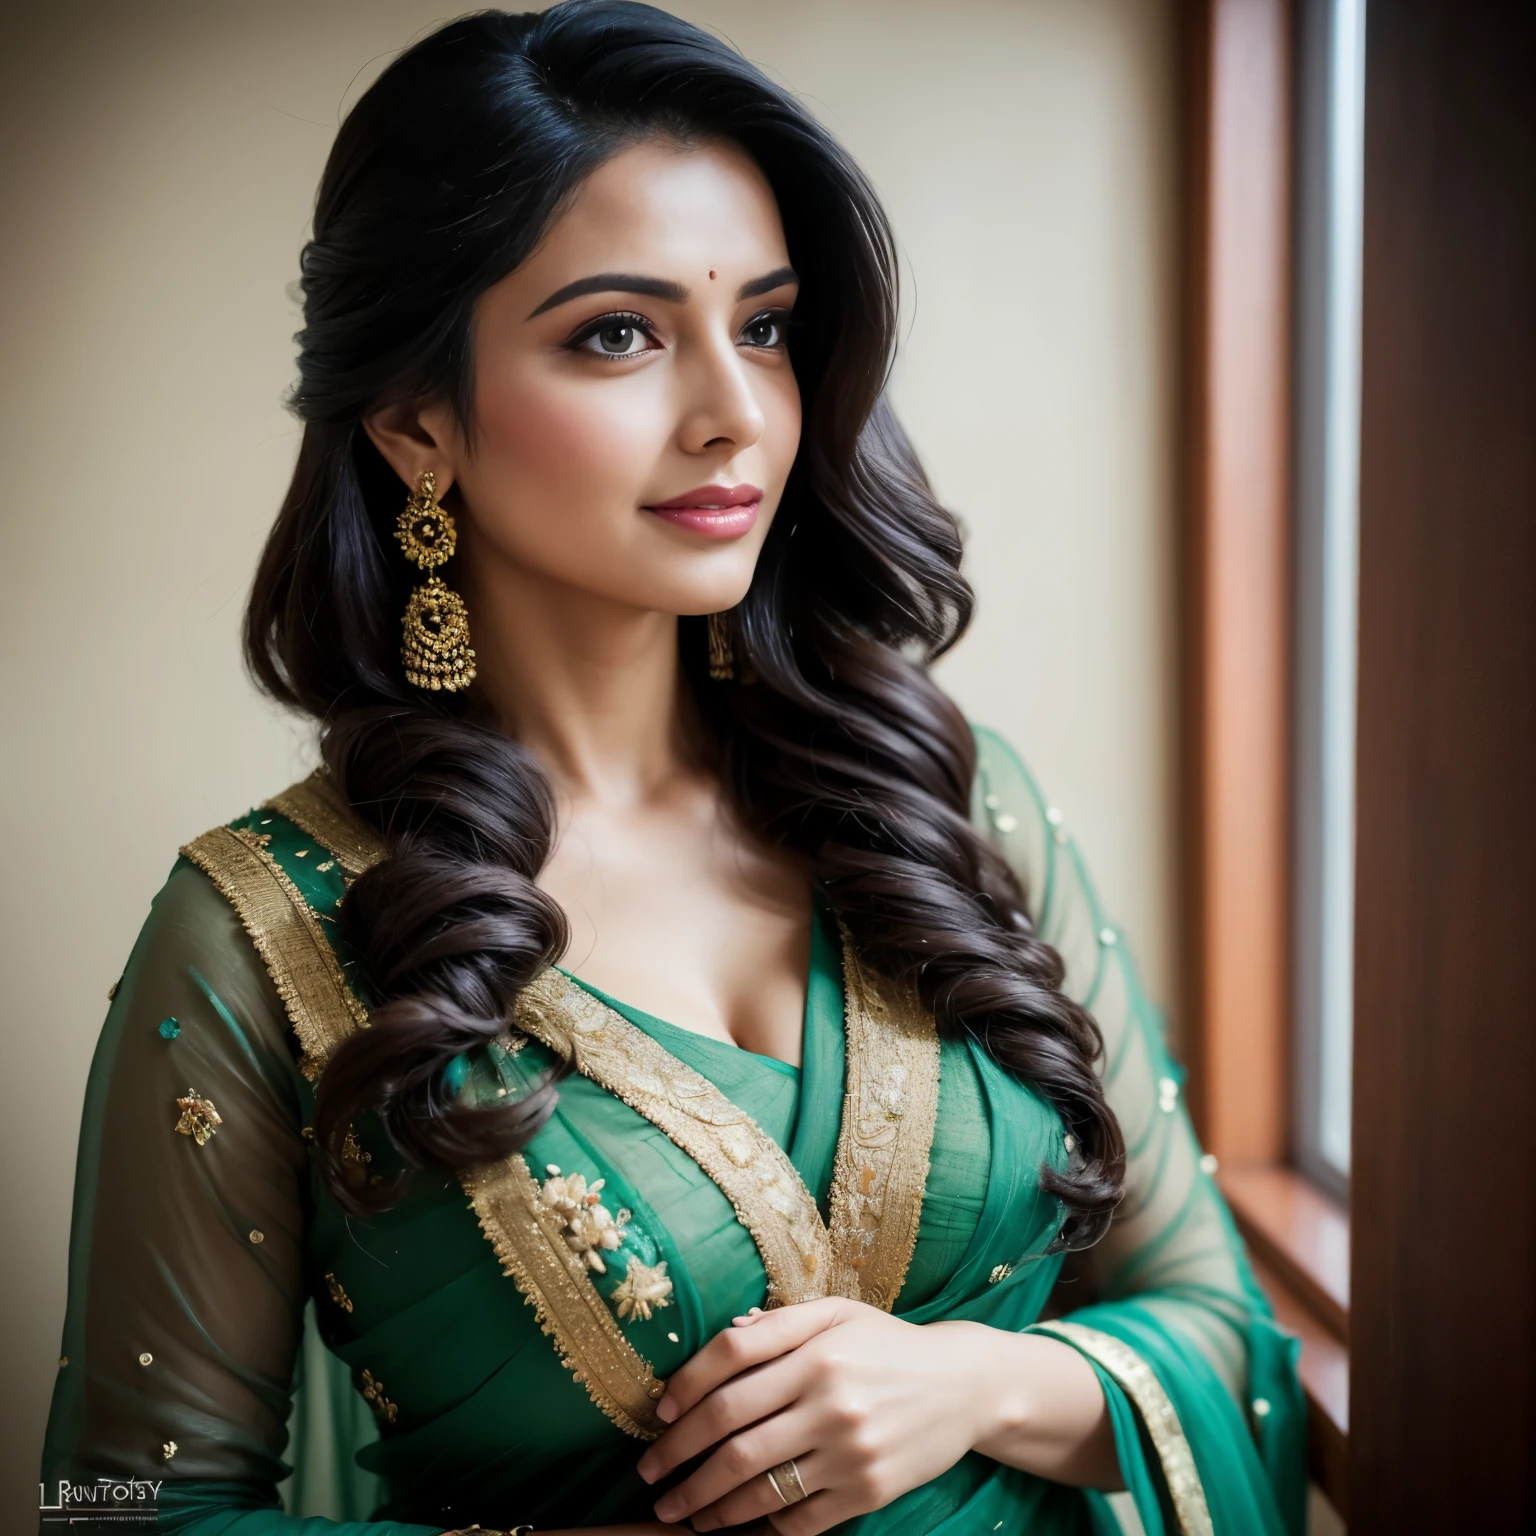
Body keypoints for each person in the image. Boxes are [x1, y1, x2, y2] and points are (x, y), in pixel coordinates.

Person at [39, 5, 1305, 1533]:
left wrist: (973, 1385)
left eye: (764, 325)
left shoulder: (950, 808)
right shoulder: (262, 942)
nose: (734, 415)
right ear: (412, 418)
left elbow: (1225, 1338)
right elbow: (112, 1503)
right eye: (618, 334)